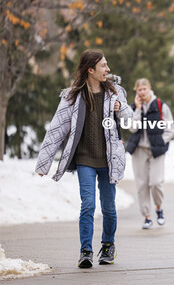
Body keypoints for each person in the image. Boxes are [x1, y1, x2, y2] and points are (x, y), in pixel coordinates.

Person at [35, 49, 133, 268]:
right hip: (85, 159)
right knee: (87, 205)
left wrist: (121, 107)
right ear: (91, 70)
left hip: (109, 161)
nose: (108, 69)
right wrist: (44, 162)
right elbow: (56, 130)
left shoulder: (115, 92)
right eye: (103, 66)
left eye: (107, 65)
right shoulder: (73, 96)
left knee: (108, 207)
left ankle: (108, 246)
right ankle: (85, 251)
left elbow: (130, 118)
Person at [126, 78, 174, 229]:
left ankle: (159, 208)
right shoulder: (134, 106)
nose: (142, 92)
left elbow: (170, 128)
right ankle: (147, 217)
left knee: (155, 183)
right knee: (141, 185)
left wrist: (161, 141)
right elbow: (132, 128)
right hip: (139, 150)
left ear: (149, 89)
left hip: (156, 150)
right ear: (136, 91)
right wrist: (139, 110)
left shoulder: (160, 105)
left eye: (144, 89)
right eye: (139, 90)